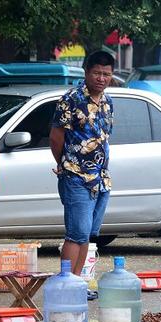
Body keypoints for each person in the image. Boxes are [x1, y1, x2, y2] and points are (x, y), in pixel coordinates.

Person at [49, 51, 115, 286]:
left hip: (101, 178)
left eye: (106, 74)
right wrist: (64, 164)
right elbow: (56, 138)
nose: (101, 78)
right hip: (76, 176)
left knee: (87, 234)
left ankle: (78, 283)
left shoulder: (108, 103)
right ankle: (66, 285)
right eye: (97, 72)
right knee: (75, 234)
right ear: (86, 72)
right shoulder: (71, 99)